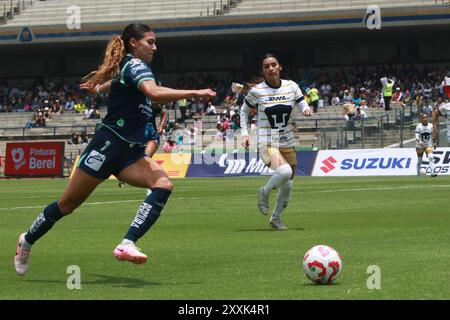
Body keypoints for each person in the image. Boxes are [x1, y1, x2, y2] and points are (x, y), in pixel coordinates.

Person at [13, 23, 216, 275]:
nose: (155, 47)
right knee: (66, 205)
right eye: (150, 42)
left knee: (163, 185)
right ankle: (27, 241)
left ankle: (127, 243)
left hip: (129, 154)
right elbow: (152, 92)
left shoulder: (130, 68)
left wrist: (98, 88)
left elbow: (117, 82)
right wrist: (196, 91)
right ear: (134, 43)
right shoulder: (135, 65)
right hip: (108, 145)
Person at [240, 53, 312, 230]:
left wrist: (306, 109)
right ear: (263, 71)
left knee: (288, 184)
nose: (271, 68)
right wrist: (245, 134)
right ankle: (264, 192)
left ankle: (276, 218)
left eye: (274, 65)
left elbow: (301, 102)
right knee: (285, 170)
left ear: (280, 67)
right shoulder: (257, 91)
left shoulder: (291, 86)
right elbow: (243, 112)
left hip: (287, 140)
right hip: (266, 141)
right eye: (267, 66)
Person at [415, 113, 437, 177]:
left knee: (431, 157)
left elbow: (432, 135)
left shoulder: (430, 125)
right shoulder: (418, 126)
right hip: (419, 145)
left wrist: (434, 142)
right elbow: (416, 136)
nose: (425, 119)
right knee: (419, 160)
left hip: (428, 145)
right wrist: (419, 141)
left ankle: (432, 173)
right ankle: (418, 174)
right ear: (421, 119)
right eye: (424, 118)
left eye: (426, 117)